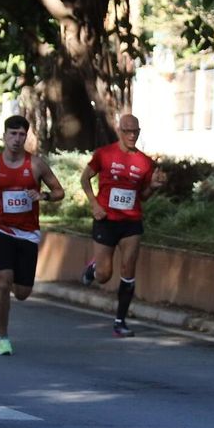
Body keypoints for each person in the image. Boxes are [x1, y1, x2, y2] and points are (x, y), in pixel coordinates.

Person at [0, 115, 64, 355]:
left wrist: (44, 196)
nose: (17, 139)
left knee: (22, 293)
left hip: (28, 233)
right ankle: (3, 338)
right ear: (4, 135)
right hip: (1, 228)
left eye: (22, 135)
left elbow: (59, 191)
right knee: (2, 282)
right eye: (13, 134)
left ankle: (14, 293)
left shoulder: (36, 165)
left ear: (26, 137)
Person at [78, 113, 167, 337]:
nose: (132, 135)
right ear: (119, 131)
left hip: (131, 222)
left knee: (128, 270)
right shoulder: (104, 154)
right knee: (104, 275)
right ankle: (94, 267)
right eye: (127, 131)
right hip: (106, 220)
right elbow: (85, 178)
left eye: (135, 131)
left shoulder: (145, 162)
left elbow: (143, 195)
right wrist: (94, 204)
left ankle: (120, 321)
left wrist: (154, 187)